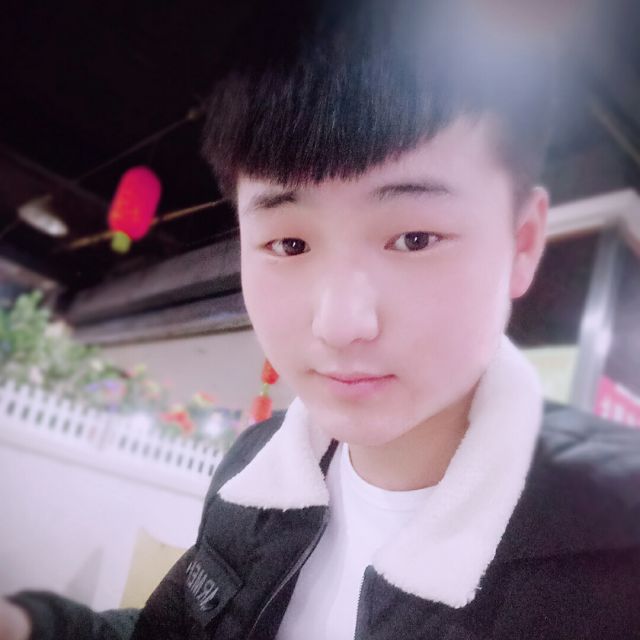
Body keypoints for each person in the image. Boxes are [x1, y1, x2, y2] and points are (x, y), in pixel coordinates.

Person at [2, 1, 639, 638]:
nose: (340, 323)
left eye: (414, 238)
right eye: (290, 244)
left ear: (521, 245)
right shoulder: (256, 467)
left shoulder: (615, 558)